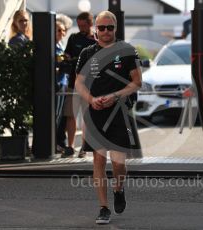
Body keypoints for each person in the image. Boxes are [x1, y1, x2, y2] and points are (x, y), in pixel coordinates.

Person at [75, 11, 142, 224]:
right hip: (95, 113)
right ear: (95, 28)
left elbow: (137, 82)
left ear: (115, 29)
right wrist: (91, 99)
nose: (105, 31)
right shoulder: (87, 53)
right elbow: (78, 83)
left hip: (120, 111)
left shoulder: (127, 50)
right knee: (98, 160)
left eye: (109, 28)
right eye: (101, 28)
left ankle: (119, 188)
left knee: (119, 163)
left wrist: (115, 96)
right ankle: (103, 208)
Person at [62, 12, 96, 157]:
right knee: (71, 115)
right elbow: (66, 54)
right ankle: (70, 146)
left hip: (89, 84)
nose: (81, 28)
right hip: (73, 82)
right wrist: (68, 58)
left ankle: (84, 147)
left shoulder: (96, 39)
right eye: (79, 25)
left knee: (87, 116)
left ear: (90, 24)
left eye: (84, 25)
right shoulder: (73, 38)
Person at [55, 14, 73, 153]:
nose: (61, 33)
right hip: (56, 83)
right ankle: (55, 142)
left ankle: (59, 142)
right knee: (56, 114)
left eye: (62, 30)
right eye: (58, 30)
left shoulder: (60, 45)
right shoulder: (53, 46)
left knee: (61, 115)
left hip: (63, 83)